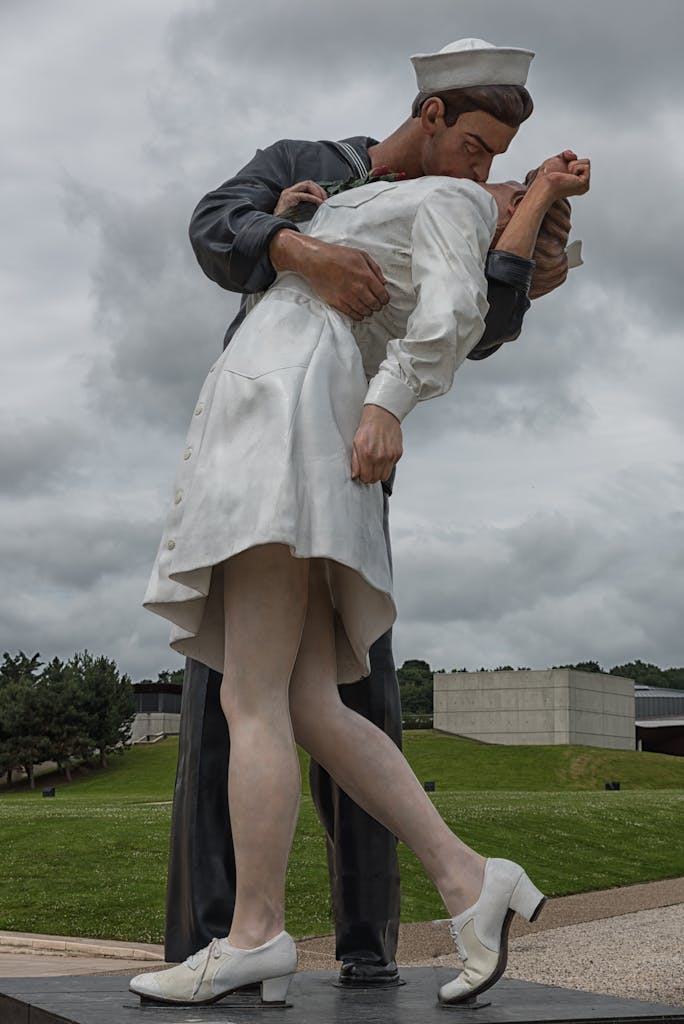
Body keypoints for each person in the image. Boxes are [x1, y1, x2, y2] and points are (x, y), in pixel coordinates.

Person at [131, 110, 589, 1007]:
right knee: (304, 699)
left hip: (288, 421)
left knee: (251, 693)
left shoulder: (450, 198)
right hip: (300, 414)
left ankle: (257, 933)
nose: (488, 172)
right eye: (479, 151)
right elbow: (226, 223)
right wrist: (302, 222)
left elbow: (470, 310)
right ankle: (469, 882)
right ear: (432, 117)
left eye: (502, 171)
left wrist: (388, 401)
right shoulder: (366, 187)